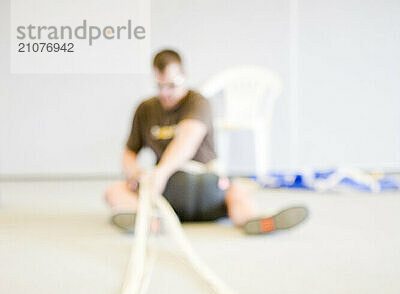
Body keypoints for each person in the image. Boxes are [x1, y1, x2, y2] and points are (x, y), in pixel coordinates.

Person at [106, 49, 308, 234]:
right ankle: (152, 222)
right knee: (114, 191)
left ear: (183, 76)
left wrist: (160, 172)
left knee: (238, 191)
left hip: (207, 187)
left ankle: (254, 221)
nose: (165, 93)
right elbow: (129, 152)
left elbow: (187, 141)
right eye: (160, 86)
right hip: (167, 194)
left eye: (171, 85)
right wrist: (136, 174)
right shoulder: (145, 109)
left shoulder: (198, 101)